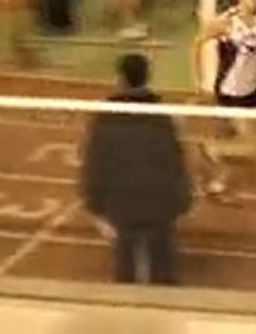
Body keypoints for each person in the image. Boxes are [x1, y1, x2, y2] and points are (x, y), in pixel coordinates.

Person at [81, 53, 191, 285]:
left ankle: (126, 310)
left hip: (121, 203)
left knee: (125, 268)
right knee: (163, 270)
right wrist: (182, 200)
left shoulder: (104, 118)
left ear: (119, 79)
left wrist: (94, 203)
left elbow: (95, 162)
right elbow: (175, 161)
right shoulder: (164, 117)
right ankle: (164, 308)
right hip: (159, 203)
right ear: (147, 77)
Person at [192, 0, 256, 197]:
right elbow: (197, 42)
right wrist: (198, 79)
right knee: (254, 148)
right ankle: (209, 150)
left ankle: (216, 180)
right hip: (232, 93)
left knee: (231, 137)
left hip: (252, 90)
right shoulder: (226, 22)